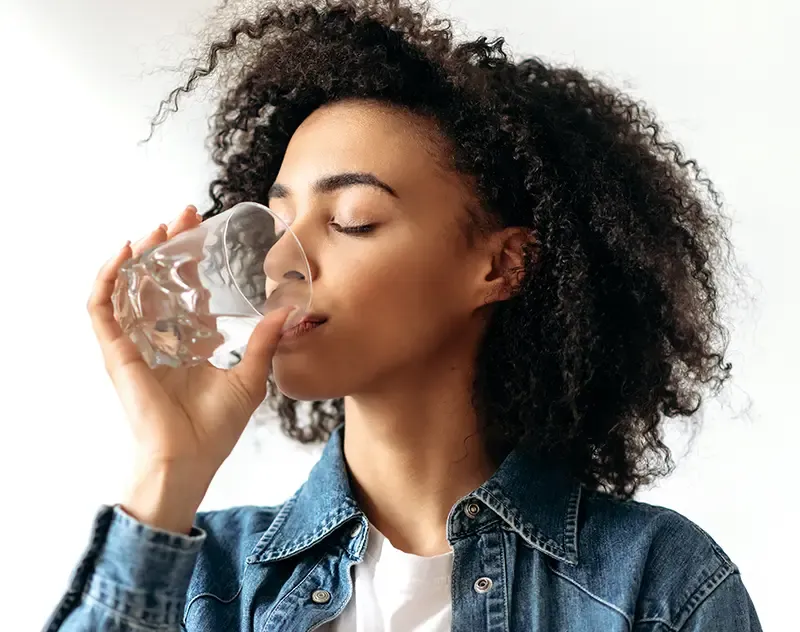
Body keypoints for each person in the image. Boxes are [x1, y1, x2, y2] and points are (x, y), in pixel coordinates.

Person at [45, 0, 762, 630]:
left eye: (353, 219)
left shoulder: (660, 587)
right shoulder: (208, 585)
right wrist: (169, 470)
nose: (276, 261)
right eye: (276, 217)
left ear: (502, 266)